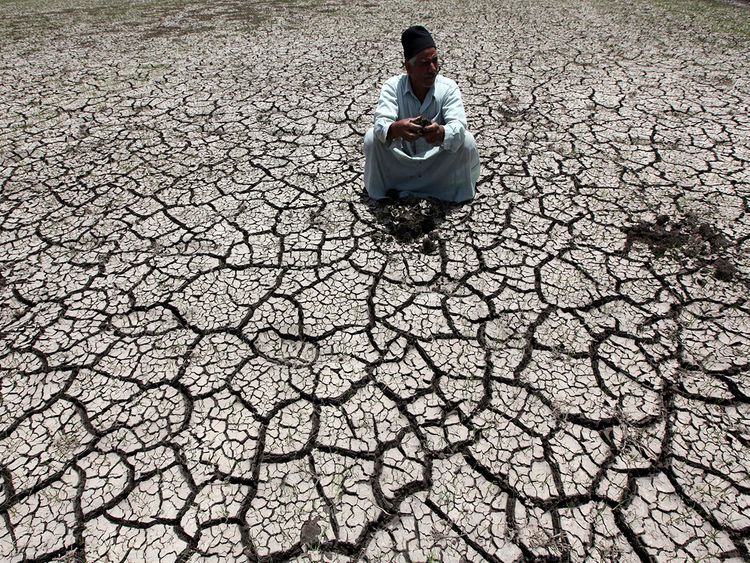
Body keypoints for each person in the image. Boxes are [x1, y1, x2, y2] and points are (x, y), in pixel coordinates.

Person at [364, 25, 480, 203]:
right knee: (372, 137)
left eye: (435, 60)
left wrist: (441, 132)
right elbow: (381, 124)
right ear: (408, 68)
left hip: (438, 165)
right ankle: (382, 193)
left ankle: (453, 192)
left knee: (467, 140)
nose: (432, 68)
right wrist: (396, 129)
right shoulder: (392, 87)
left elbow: (458, 127)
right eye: (425, 63)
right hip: (401, 163)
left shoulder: (448, 88)